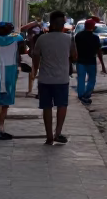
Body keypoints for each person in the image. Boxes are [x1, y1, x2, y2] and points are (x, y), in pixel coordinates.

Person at [32, 11, 77, 145]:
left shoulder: (42, 39)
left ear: (51, 24)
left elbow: (35, 57)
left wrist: (35, 72)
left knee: (47, 107)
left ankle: (49, 136)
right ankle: (58, 133)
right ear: (62, 24)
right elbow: (75, 56)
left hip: (45, 79)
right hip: (62, 79)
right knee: (62, 106)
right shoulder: (68, 39)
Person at [0, 21, 33, 140]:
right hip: (11, 72)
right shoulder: (16, 38)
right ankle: (1, 128)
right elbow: (22, 49)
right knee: (6, 103)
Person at [74, 17, 107, 105]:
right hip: (91, 61)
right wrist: (102, 65)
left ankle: (81, 95)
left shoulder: (78, 36)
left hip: (80, 61)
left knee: (81, 79)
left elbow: (74, 49)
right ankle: (86, 95)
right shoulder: (95, 38)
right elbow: (99, 52)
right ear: (93, 27)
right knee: (91, 80)